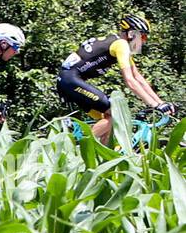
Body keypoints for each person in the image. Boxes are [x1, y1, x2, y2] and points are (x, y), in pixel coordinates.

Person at [56, 14, 174, 145]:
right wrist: (154, 105)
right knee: (116, 114)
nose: (144, 41)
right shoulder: (121, 44)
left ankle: (100, 157)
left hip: (69, 81)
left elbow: (138, 78)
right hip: (70, 80)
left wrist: (161, 103)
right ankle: (74, 147)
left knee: (108, 123)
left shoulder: (120, 44)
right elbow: (130, 81)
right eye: (143, 36)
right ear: (131, 34)